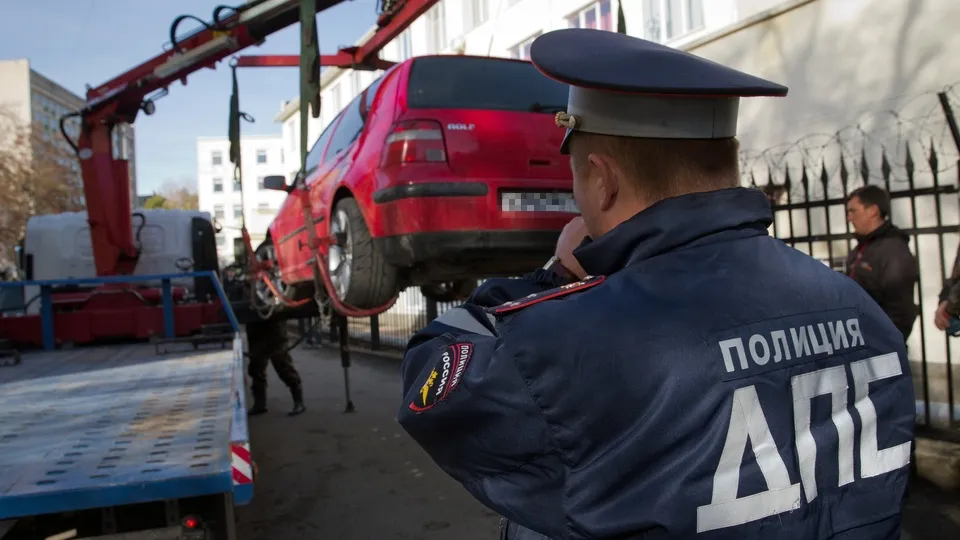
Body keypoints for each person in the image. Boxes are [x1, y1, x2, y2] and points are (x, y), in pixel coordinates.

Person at [396, 29, 915, 539]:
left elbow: (429, 387)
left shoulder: (579, 342)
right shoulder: (860, 309)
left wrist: (554, 278)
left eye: (576, 178)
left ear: (603, 179)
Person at [845, 185, 919, 340]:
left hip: (879, 348)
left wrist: (884, 343)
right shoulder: (863, 247)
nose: (849, 218)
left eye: (853, 211)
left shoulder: (892, 249)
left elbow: (901, 309)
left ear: (872, 211)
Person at [246, 318, 306, 417]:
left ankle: (298, 401)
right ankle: (259, 404)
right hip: (255, 327)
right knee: (256, 367)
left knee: (283, 365)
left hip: (274, 325)